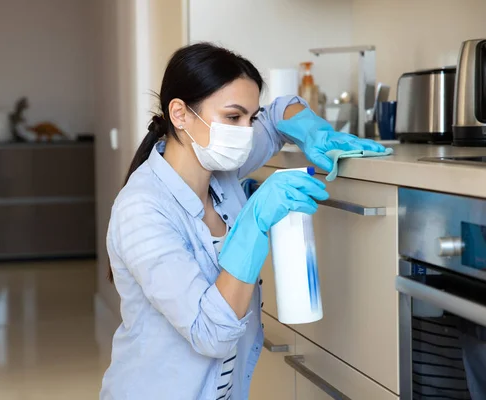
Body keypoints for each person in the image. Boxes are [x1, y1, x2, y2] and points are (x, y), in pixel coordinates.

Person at [100, 43, 386, 400]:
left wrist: (313, 131)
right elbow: (211, 332)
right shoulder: (141, 210)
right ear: (180, 114)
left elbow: (281, 110)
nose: (247, 132)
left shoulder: (220, 167)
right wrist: (253, 222)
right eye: (234, 117)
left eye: (250, 119)